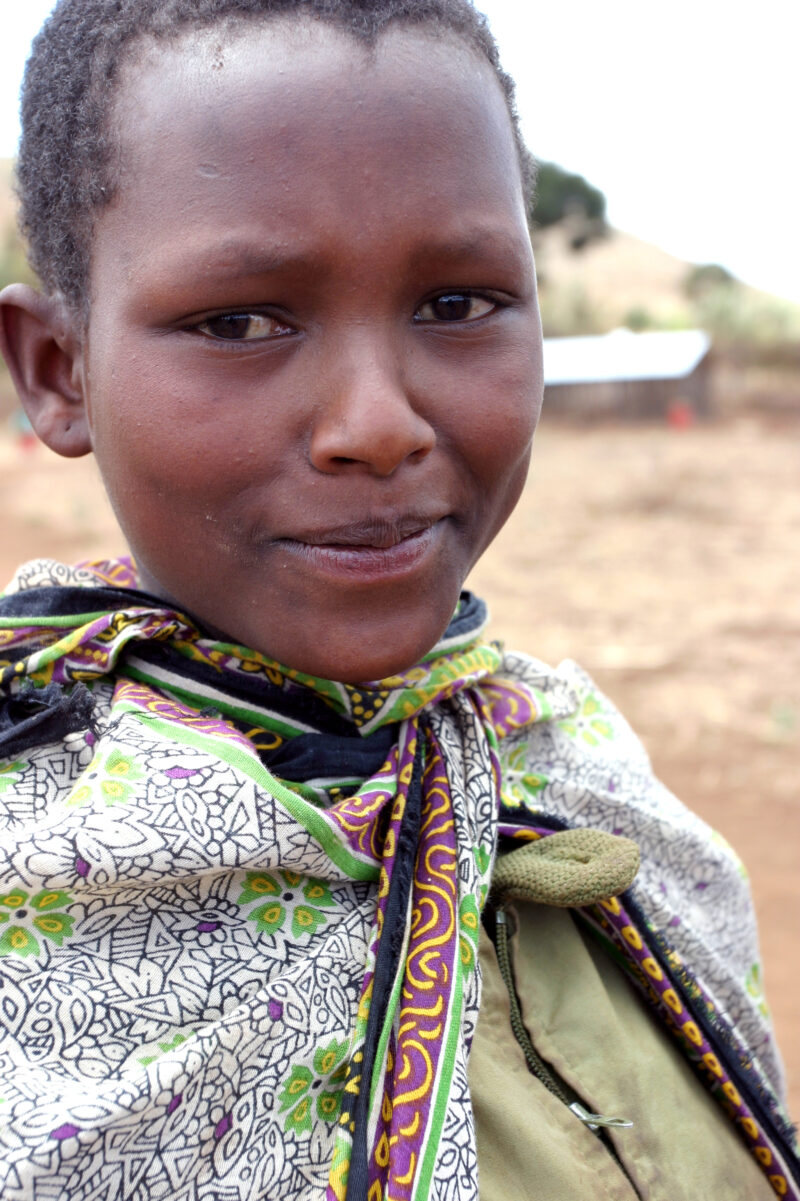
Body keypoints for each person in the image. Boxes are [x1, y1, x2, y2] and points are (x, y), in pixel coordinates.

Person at [0, 2, 795, 1198]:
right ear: (59, 372)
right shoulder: (36, 882)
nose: (377, 425)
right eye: (239, 322)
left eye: (456, 304)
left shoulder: (584, 782)